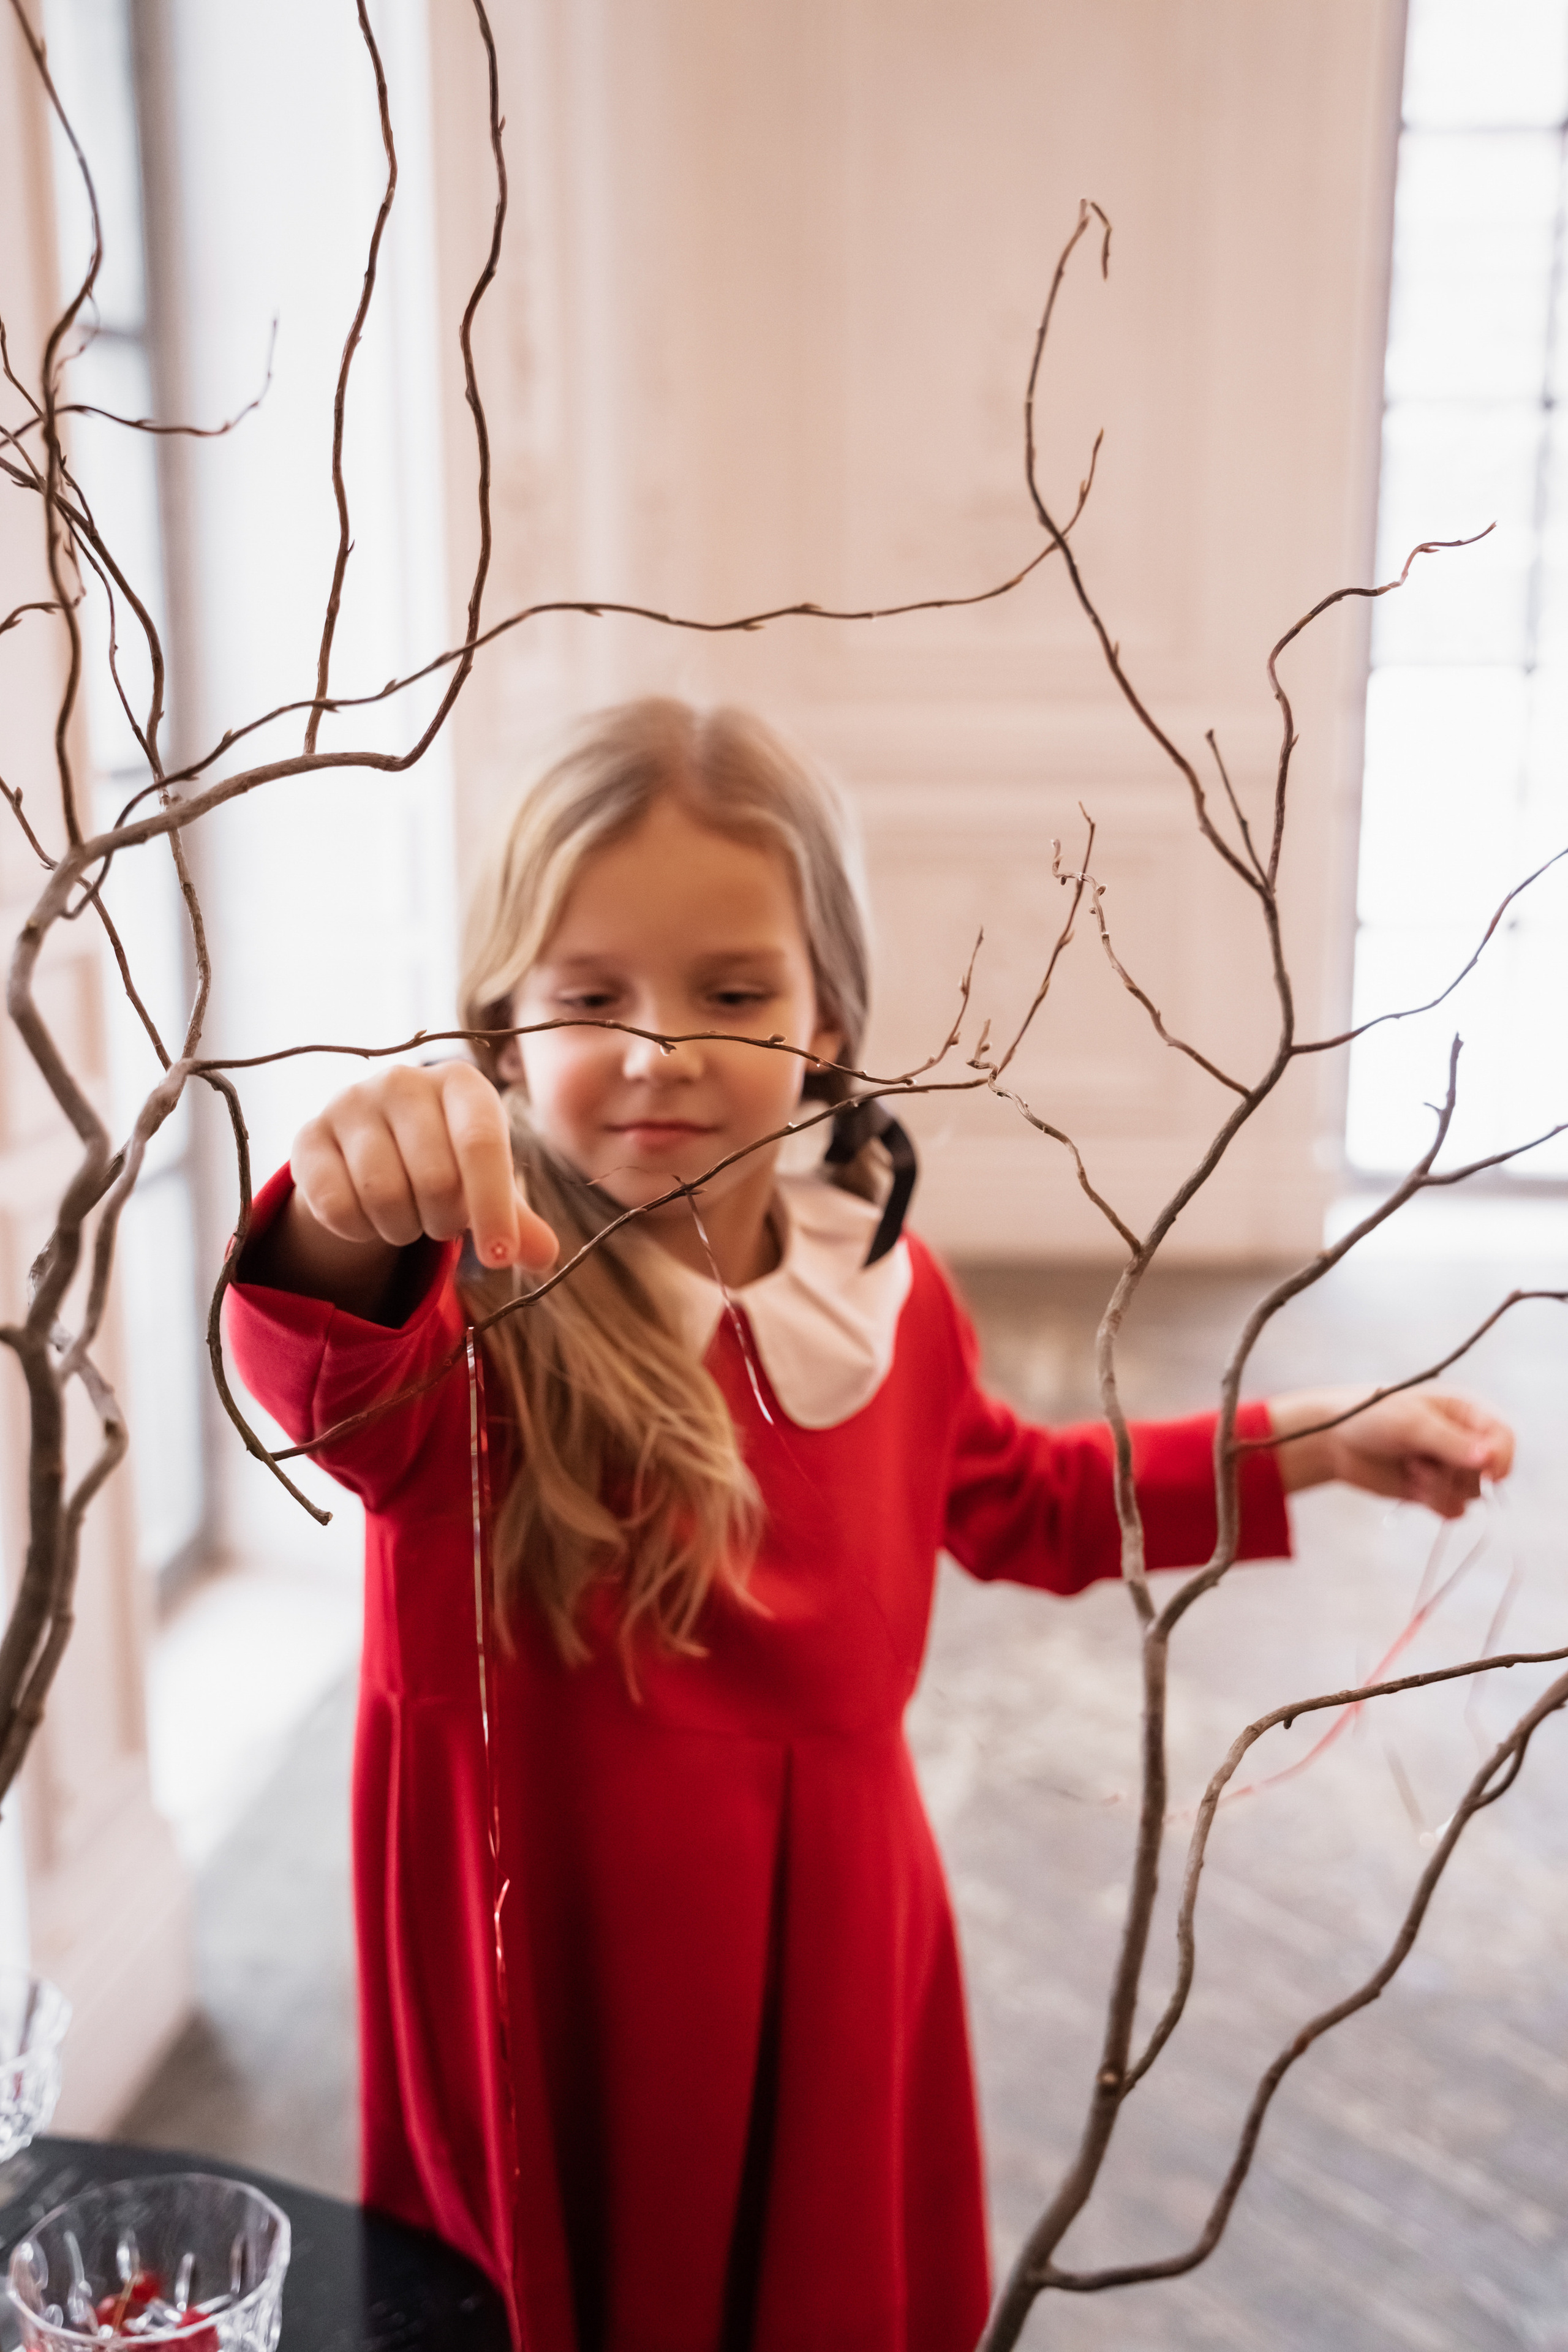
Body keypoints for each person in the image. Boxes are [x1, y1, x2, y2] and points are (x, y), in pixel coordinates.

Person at [227, 698, 1513, 2352]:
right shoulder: (476, 1326)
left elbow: (1031, 1501)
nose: (661, 1046)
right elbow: (321, 1358)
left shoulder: (885, 1297)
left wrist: (1312, 1444)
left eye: (734, 990)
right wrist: (343, 1211)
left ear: (829, 1024)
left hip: (838, 1942)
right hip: (567, 1984)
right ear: (501, 1038)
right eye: (590, 995)